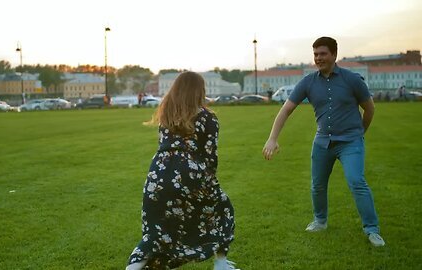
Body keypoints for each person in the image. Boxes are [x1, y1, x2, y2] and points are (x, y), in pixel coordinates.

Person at [262, 37, 385, 247]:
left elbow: (370, 108)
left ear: (334, 55)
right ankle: (320, 221)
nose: (318, 58)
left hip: (350, 142)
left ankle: (372, 230)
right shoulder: (308, 82)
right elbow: (286, 109)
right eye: (316, 54)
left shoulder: (352, 79)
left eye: (323, 54)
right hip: (322, 143)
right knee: (317, 186)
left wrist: (359, 133)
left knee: (356, 182)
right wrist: (273, 138)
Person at [126, 72, 237, 269]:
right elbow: (210, 157)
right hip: (190, 172)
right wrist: (209, 185)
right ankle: (220, 263)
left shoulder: (166, 115)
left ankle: (132, 267)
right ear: (199, 91)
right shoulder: (208, 117)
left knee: (155, 231)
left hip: (157, 173)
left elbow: (164, 145)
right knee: (222, 209)